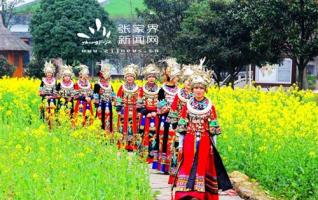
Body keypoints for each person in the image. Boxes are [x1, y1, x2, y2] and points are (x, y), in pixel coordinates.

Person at [173, 69, 235, 200]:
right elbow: (182, 128)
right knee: (188, 163)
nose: (198, 90)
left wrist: (214, 146)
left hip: (205, 141)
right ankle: (185, 193)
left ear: (205, 89)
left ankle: (199, 194)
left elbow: (213, 130)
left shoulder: (210, 106)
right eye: (196, 87)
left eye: (201, 88)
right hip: (189, 139)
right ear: (192, 89)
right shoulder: (187, 106)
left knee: (202, 165)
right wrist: (180, 145)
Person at [167, 64, 195, 184]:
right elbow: (173, 109)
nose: (188, 83)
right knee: (179, 149)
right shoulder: (179, 95)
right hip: (180, 126)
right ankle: (176, 176)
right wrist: (174, 125)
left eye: (190, 81)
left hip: (194, 128)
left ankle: (191, 176)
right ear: (183, 82)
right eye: (186, 81)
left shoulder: (197, 95)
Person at [154, 58, 181, 173]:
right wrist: (171, 109)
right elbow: (160, 105)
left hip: (176, 119)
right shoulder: (162, 89)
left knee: (175, 140)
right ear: (171, 77)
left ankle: (173, 164)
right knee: (165, 140)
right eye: (176, 77)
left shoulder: (179, 90)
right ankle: (164, 166)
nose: (178, 79)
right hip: (165, 118)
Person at [137, 63, 161, 162]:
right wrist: (146, 112)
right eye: (149, 77)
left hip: (155, 116)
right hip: (145, 116)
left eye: (153, 77)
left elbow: (162, 104)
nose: (151, 79)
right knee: (143, 134)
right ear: (146, 78)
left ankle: (153, 156)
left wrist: (156, 112)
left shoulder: (160, 90)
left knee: (154, 134)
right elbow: (139, 104)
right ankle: (142, 155)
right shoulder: (142, 89)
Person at [116, 64, 141, 151]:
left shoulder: (138, 88)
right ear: (125, 78)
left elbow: (140, 100)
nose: (129, 78)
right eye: (128, 76)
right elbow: (118, 98)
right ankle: (122, 145)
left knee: (134, 127)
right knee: (123, 127)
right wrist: (118, 108)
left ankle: (133, 145)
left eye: (131, 76)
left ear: (134, 78)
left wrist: (139, 110)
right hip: (124, 109)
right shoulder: (122, 87)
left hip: (134, 110)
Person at [93, 61, 116, 137]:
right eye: (102, 78)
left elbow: (114, 95)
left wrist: (117, 101)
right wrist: (96, 101)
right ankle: (99, 134)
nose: (104, 79)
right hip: (101, 105)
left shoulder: (110, 85)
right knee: (100, 119)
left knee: (108, 120)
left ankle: (108, 134)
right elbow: (95, 95)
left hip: (108, 105)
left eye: (106, 78)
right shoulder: (97, 85)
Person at [39, 61, 57, 128]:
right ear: (46, 73)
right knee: (45, 111)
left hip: (52, 98)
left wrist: (52, 96)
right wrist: (44, 95)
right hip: (45, 98)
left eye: (50, 73)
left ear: (52, 73)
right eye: (48, 73)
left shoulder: (55, 81)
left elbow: (56, 90)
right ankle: (45, 124)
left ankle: (52, 125)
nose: (49, 74)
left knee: (52, 112)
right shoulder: (43, 80)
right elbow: (40, 90)